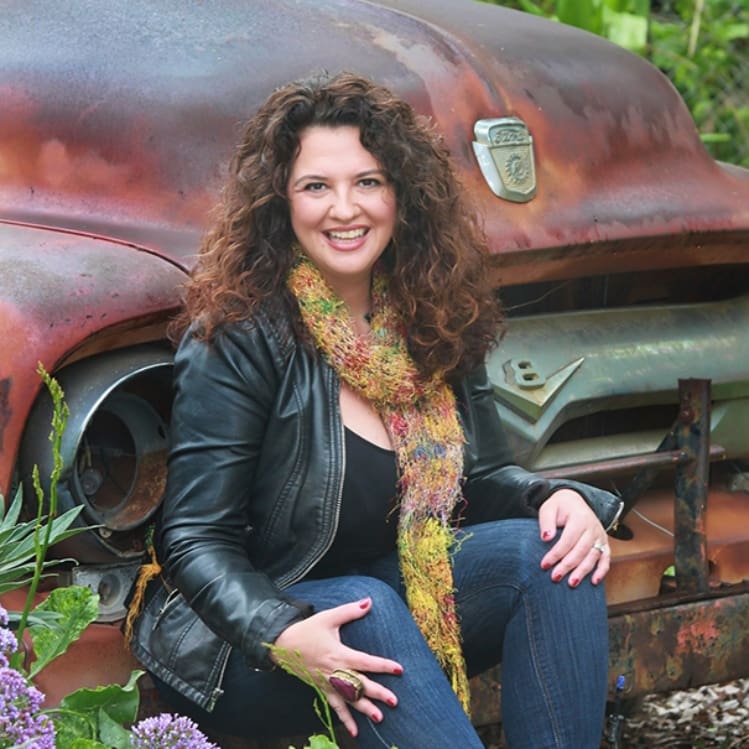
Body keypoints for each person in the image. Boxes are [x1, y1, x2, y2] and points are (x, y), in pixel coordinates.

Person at [125, 72, 623, 749]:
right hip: (248, 640)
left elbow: (481, 482)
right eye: (315, 186)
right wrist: (278, 628)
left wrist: (551, 497)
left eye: (367, 181)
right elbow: (191, 537)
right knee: (370, 601)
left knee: (550, 555)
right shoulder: (242, 334)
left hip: (384, 606)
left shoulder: (432, 317)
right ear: (281, 202)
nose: (343, 208)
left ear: (402, 193)